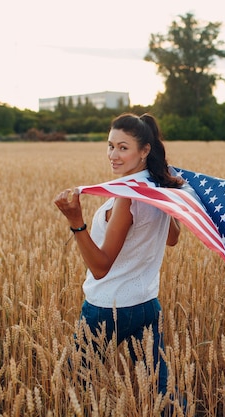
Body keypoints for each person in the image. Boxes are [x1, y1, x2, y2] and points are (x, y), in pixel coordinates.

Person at [53, 112, 183, 399]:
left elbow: (101, 267)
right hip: (148, 304)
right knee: (162, 392)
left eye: (123, 147)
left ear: (144, 150)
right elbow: (172, 238)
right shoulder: (156, 188)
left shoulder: (127, 196)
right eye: (110, 145)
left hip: (107, 307)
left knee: (75, 387)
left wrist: (76, 221)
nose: (113, 154)